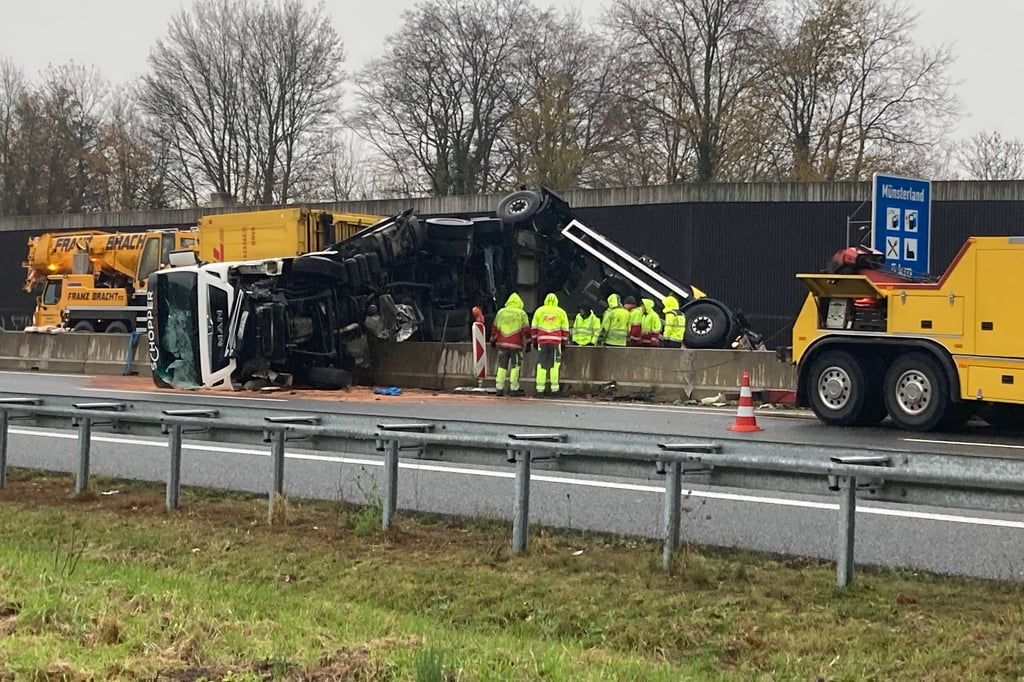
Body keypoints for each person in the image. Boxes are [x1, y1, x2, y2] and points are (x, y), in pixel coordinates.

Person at [489, 292, 531, 396]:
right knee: (515, 366)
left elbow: (495, 327)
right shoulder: (521, 313)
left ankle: (499, 388)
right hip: (516, 345)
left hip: (502, 344)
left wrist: (493, 340)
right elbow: (526, 330)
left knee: (502, 366)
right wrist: (529, 343)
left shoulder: (501, 312)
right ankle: (514, 388)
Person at [531, 292, 569, 395]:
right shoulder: (561, 312)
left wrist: (534, 341)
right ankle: (554, 389)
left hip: (542, 342)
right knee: (555, 365)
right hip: (556, 342)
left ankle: (540, 389)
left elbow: (534, 328)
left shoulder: (539, 311)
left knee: (541, 365)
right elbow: (565, 329)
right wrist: (564, 342)